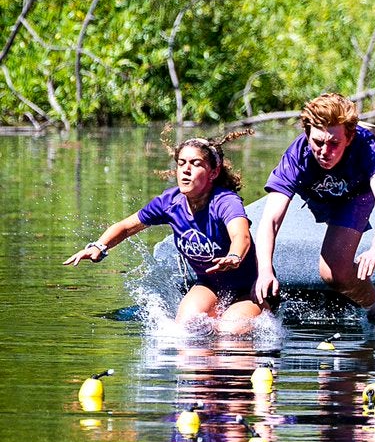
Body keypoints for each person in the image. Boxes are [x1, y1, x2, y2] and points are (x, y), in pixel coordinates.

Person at [64, 130, 267, 334]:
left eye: (196, 164)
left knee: (228, 332)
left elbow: (241, 236)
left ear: (213, 172)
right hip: (209, 286)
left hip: (249, 289)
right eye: (181, 163)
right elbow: (126, 227)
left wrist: (234, 255)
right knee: (186, 329)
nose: (186, 170)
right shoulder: (170, 202)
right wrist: (100, 245)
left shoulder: (225, 201)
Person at [253, 92, 375, 328]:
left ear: (349, 138)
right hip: (319, 190)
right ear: (307, 134)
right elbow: (270, 219)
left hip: (356, 192)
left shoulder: (364, 147)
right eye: (318, 142)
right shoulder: (296, 157)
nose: (324, 152)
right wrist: (264, 270)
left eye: (333, 144)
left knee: (334, 272)